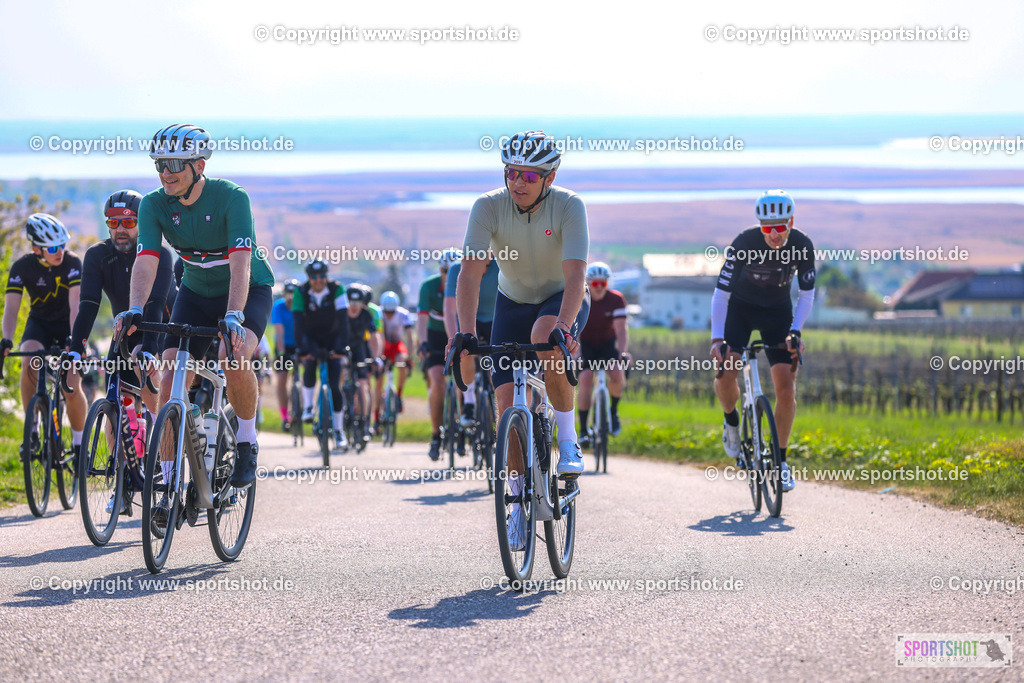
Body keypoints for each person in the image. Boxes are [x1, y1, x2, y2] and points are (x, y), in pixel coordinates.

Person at [116, 124, 275, 514]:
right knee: (170, 380)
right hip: (195, 292)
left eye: (174, 164)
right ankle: (168, 483)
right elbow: (146, 259)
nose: (165, 172)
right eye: (159, 165)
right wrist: (135, 308)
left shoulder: (231, 198)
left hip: (247, 290)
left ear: (199, 165)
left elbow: (241, 264)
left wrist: (234, 316)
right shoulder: (154, 204)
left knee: (232, 356)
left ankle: (246, 440)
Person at [453, 130, 589, 551]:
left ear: (548, 178)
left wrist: (564, 329)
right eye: (512, 172)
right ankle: (515, 498)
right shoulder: (488, 207)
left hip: (560, 299)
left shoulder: (569, 206)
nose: (518, 182)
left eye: (530, 175)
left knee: (544, 338)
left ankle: (567, 440)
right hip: (511, 302)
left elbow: (575, 278)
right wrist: (465, 333)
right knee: (505, 401)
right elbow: (471, 274)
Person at [710, 190, 814, 493]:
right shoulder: (744, 243)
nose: (775, 234)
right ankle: (731, 422)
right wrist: (718, 338)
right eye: (768, 228)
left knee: (785, 387)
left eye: (781, 226)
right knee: (727, 369)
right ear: (760, 226)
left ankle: (781, 462)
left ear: (791, 222)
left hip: (777, 314)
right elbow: (721, 294)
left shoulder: (801, 246)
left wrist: (795, 331)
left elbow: (806, 295)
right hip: (739, 311)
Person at [70, 190, 174, 417]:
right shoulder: (97, 255)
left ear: (142, 223)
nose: (120, 229)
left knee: (141, 359)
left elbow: (155, 304)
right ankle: (117, 451)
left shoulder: (160, 254)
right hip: (124, 333)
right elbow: (88, 304)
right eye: (113, 222)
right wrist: (77, 348)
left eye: (128, 222)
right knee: (114, 406)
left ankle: (162, 434)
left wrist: (148, 349)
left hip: (161, 329)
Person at [1, 213, 86, 458]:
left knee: (70, 384)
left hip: (69, 325)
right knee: (28, 360)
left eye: (63, 244)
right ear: (36, 249)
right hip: (40, 325)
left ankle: (79, 446)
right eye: (53, 247)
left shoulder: (72, 263)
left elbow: (75, 305)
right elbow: (12, 309)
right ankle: (34, 431)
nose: (60, 251)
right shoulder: (21, 267)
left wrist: (75, 339)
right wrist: (7, 338)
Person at [292, 260, 349, 448]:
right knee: (310, 363)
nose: (318, 281)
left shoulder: (337, 289)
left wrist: (341, 347)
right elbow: (298, 323)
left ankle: (339, 431)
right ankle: (308, 407)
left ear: (327, 276)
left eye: (322, 276)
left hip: (332, 337)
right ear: (309, 278)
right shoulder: (300, 292)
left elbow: (344, 320)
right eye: (314, 277)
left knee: (334, 386)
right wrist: (301, 349)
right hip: (311, 337)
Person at [576, 261, 629, 446]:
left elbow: (621, 330)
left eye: (603, 283)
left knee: (616, 372)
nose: (599, 287)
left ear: (608, 283)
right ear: (588, 283)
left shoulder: (616, 299)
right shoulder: (580, 298)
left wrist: (623, 353)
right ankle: (583, 429)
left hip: (607, 345)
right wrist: (577, 355)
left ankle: (613, 412)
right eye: (595, 283)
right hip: (586, 345)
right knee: (585, 378)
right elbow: (576, 330)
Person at [443, 254, 499, 429]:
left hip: (494, 320)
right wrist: (454, 340)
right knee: (464, 350)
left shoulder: (502, 266)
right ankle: (469, 402)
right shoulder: (457, 269)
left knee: (498, 363)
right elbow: (449, 310)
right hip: (468, 320)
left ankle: (500, 407)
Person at [418, 249, 460, 461]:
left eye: (454, 271)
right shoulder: (429, 287)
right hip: (435, 336)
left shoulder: (468, 283)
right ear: (440, 270)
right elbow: (422, 320)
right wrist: (423, 343)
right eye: (445, 271)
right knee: (437, 382)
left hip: (459, 332)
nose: (449, 276)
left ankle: (465, 420)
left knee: (466, 382)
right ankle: (436, 435)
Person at [345, 283, 380, 442]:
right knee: (339, 375)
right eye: (351, 303)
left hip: (359, 348)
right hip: (343, 348)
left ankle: (365, 423)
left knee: (363, 385)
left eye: (358, 304)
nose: (354, 307)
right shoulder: (341, 313)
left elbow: (374, 336)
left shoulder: (366, 314)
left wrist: (375, 357)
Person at [378, 290, 415, 413]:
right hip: (382, 344)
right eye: (386, 312)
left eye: (391, 312)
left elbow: (410, 337)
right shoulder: (378, 313)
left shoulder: (403, 314)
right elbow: (377, 336)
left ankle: (398, 394)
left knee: (402, 361)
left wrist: (410, 357)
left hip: (396, 344)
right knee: (379, 376)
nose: (388, 315)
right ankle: (377, 411)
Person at [272, 279, 298, 431]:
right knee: (282, 378)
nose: (291, 297)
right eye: (288, 294)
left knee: (301, 379)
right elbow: (279, 332)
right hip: (284, 346)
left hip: (299, 345)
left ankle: (300, 410)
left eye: (294, 294)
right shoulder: (278, 307)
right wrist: (282, 353)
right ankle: (284, 416)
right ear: (284, 294)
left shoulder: (301, 307)